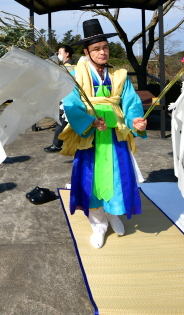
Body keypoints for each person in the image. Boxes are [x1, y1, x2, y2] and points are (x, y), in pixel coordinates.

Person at [59, 19, 147, 248]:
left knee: (118, 176)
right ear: (86, 52)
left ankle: (113, 214)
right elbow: (71, 104)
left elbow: (130, 103)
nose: (102, 52)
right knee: (93, 179)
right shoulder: (75, 74)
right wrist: (89, 121)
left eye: (105, 47)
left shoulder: (119, 74)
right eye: (96, 49)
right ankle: (98, 224)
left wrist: (135, 120)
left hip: (115, 132)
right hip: (91, 134)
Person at [45, 44, 75, 153]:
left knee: (61, 121)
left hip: (67, 98)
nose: (58, 55)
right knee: (64, 121)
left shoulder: (67, 68)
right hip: (67, 97)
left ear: (67, 54)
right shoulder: (69, 66)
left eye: (60, 53)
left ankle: (56, 145)